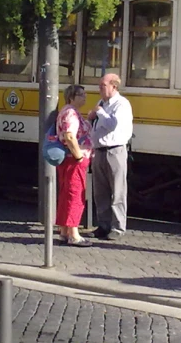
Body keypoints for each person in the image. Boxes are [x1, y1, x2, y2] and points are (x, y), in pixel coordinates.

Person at [88, 73, 133, 240]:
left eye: (103, 85)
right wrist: (93, 116)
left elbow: (112, 125)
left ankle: (118, 227)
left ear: (114, 86)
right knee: (100, 192)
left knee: (117, 191)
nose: (100, 89)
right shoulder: (102, 103)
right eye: (100, 85)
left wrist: (100, 113)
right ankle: (103, 225)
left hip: (115, 151)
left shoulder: (121, 104)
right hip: (99, 151)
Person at [55, 85, 93, 247]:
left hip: (68, 160)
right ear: (71, 97)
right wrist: (78, 156)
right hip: (74, 160)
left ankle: (64, 231)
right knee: (75, 195)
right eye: (81, 94)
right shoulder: (71, 113)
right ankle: (74, 234)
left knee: (66, 194)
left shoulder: (68, 111)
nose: (84, 97)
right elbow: (70, 136)